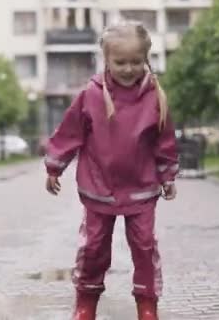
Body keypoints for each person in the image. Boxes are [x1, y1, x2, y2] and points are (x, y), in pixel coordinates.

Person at [44, 21, 179, 320]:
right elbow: (70, 132)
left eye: (136, 61)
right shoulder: (90, 95)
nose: (128, 68)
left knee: (144, 247)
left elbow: (164, 139)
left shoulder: (156, 97)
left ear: (146, 58)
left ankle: (147, 305)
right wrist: (55, 166)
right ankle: (85, 303)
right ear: (106, 59)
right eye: (120, 62)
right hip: (99, 188)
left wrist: (167, 174)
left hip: (141, 188)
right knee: (93, 248)